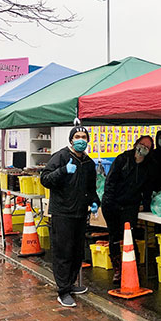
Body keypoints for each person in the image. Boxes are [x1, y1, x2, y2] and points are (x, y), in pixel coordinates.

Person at [41, 126, 99, 308]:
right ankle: (63, 291)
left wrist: (95, 201)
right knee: (63, 252)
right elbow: (45, 179)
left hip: (80, 213)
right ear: (71, 139)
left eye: (84, 137)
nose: (81, 140)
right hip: (62, 212)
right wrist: (63, 171)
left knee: (76, 251)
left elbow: (91, 188)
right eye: (77, 136)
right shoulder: (61, 157)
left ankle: (71, 284)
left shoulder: (88, 163)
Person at [101, 135, 156, 286]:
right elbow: (110, 182)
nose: (143, 148)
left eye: (147, 146)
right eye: (142, 144)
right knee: (114, 236)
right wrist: (109, 202)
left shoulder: (148, 166)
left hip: (130, 206)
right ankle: (118, 269)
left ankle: (133, 266)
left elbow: (147, 188)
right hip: (112, 204)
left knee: (129, 236)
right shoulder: (122, 159)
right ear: (136, 144)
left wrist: (146, 205)